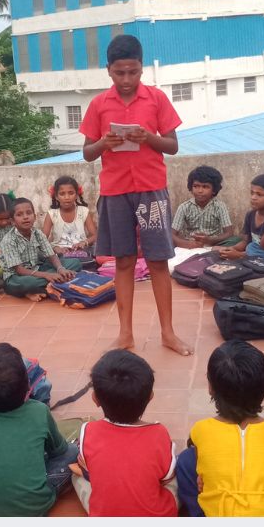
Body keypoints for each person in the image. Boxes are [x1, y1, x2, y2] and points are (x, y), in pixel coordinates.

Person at [77, 35, 192, 355]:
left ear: (142, 68)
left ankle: (168, 333)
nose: (127, 80)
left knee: (158, 262)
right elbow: (87, 153)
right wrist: (104, 144)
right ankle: (125, 334)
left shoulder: (156, 99)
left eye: (133, 72)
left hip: (151, 190)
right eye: (120, 73)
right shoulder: (99, 104)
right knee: (124, 262)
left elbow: (172, 146)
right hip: (115, 192)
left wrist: (149, 138)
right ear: (108, 71)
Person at [177, 341, 264, 517]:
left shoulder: (200, 430)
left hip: (219, 513)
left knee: (185, 459)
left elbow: (203, 479)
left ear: (210, 388)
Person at [0, 343, 77, 516]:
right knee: (72, 451)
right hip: (33, 507)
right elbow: (60, 450)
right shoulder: (39, 410)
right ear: (28, 384)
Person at [72, 349, 177, 517]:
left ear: (95, 399)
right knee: (178, 472)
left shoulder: (88, 430)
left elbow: (89, 469)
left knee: (76, 476)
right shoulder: (159, 433)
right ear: (151, 396)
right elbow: (166, 478)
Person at [0, 197, 80, 301]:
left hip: (37, 269)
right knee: (29, 283)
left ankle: (53, 281)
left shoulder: (38, 234)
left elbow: (52, 255)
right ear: (13, 221)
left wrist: (61, 269)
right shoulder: (8, 240)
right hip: (17, 276)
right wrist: (47, 275)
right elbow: (19, 270)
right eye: (19, 215)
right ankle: (51, 283)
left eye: (29, 213)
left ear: (35, 217)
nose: (25, 217)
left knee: (74, 263)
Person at [172, 165, 238, 249]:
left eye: (205, 187)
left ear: (214, 190)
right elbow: (172, 235)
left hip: (214, 244)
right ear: (191, 188)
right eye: (196, 186)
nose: (200, 191)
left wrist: (209, 240)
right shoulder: (184, 207)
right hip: (191, 245)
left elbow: (229, 233)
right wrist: (186, 244)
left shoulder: (220, 206)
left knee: (237, 239)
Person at [215, 174, 264, 260]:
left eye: (259, 194)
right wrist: (231, 250)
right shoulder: (250, 215)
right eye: (252, 193)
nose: (253, 198)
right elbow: (245, 242)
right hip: (250, 253)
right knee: (217, 251)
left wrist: (238, 255)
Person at [42, 176, 98, 254]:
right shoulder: (52, 214)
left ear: (77, 195)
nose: (67, 197)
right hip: (60, 252)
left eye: (71, 193)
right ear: (56, 196)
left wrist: (84, 242)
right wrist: (55, 248)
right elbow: (42, 240)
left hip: (81, 250)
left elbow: (95, 236)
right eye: (62, 194)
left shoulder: (83, 211)